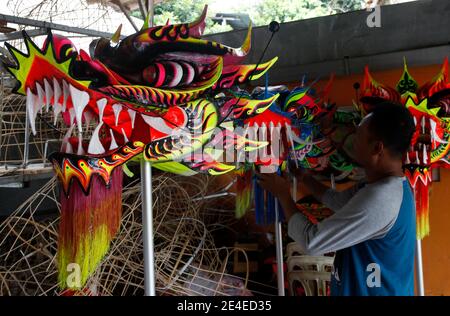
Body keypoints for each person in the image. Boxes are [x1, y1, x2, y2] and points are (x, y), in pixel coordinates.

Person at [256, 102, 417, 296]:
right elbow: (339, 202)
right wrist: (306, 179)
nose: (352, 142)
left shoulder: (381, 198)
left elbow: (312, 241)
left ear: (377, 148)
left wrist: (283, 194)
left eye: (358, 138)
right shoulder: (380, 186)